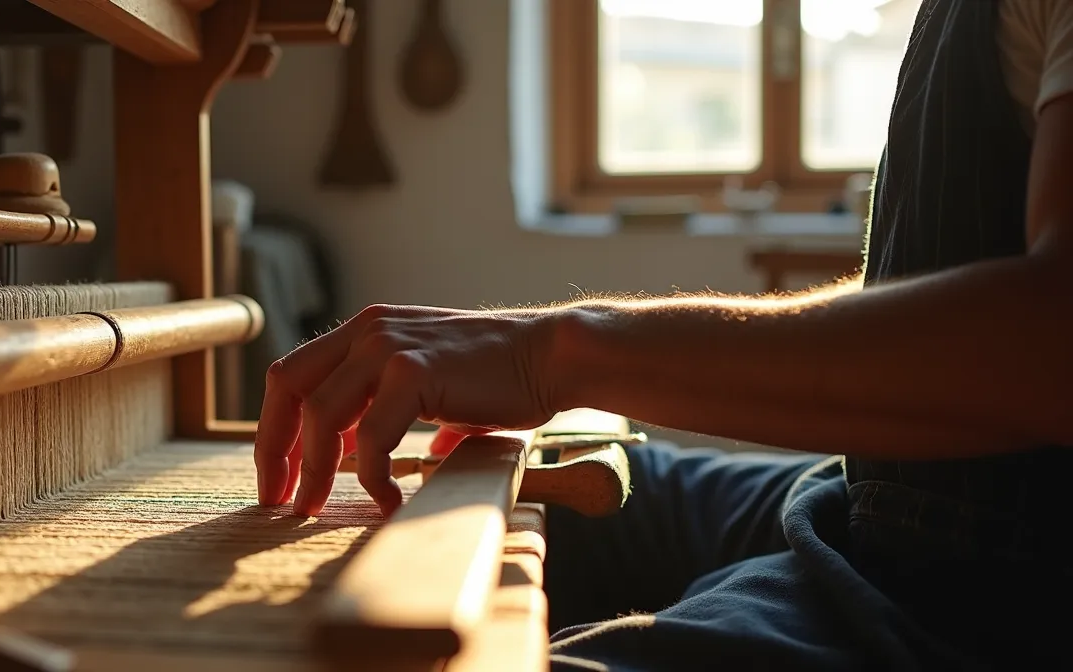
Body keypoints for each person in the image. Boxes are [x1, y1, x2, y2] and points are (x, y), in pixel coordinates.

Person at [253, 0, 1073, 668]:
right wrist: (545, 352)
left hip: (983, 601)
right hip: (868, 502)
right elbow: (949, 288)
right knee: (544, 495)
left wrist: (554, 354)